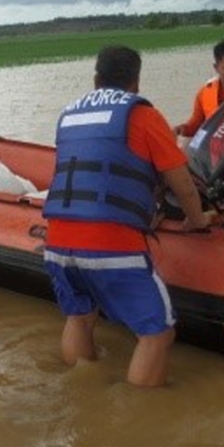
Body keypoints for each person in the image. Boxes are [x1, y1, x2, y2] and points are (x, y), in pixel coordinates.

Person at [42, 46, 212, 388]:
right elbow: (180, 179)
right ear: (135, 81)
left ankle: (81, 394)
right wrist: (197, 219)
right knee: (157, 335)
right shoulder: (143, 115)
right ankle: (137, 421)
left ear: (95, 79)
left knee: (80, 317)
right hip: (110, 245)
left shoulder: (69, 114)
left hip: (57, 243)